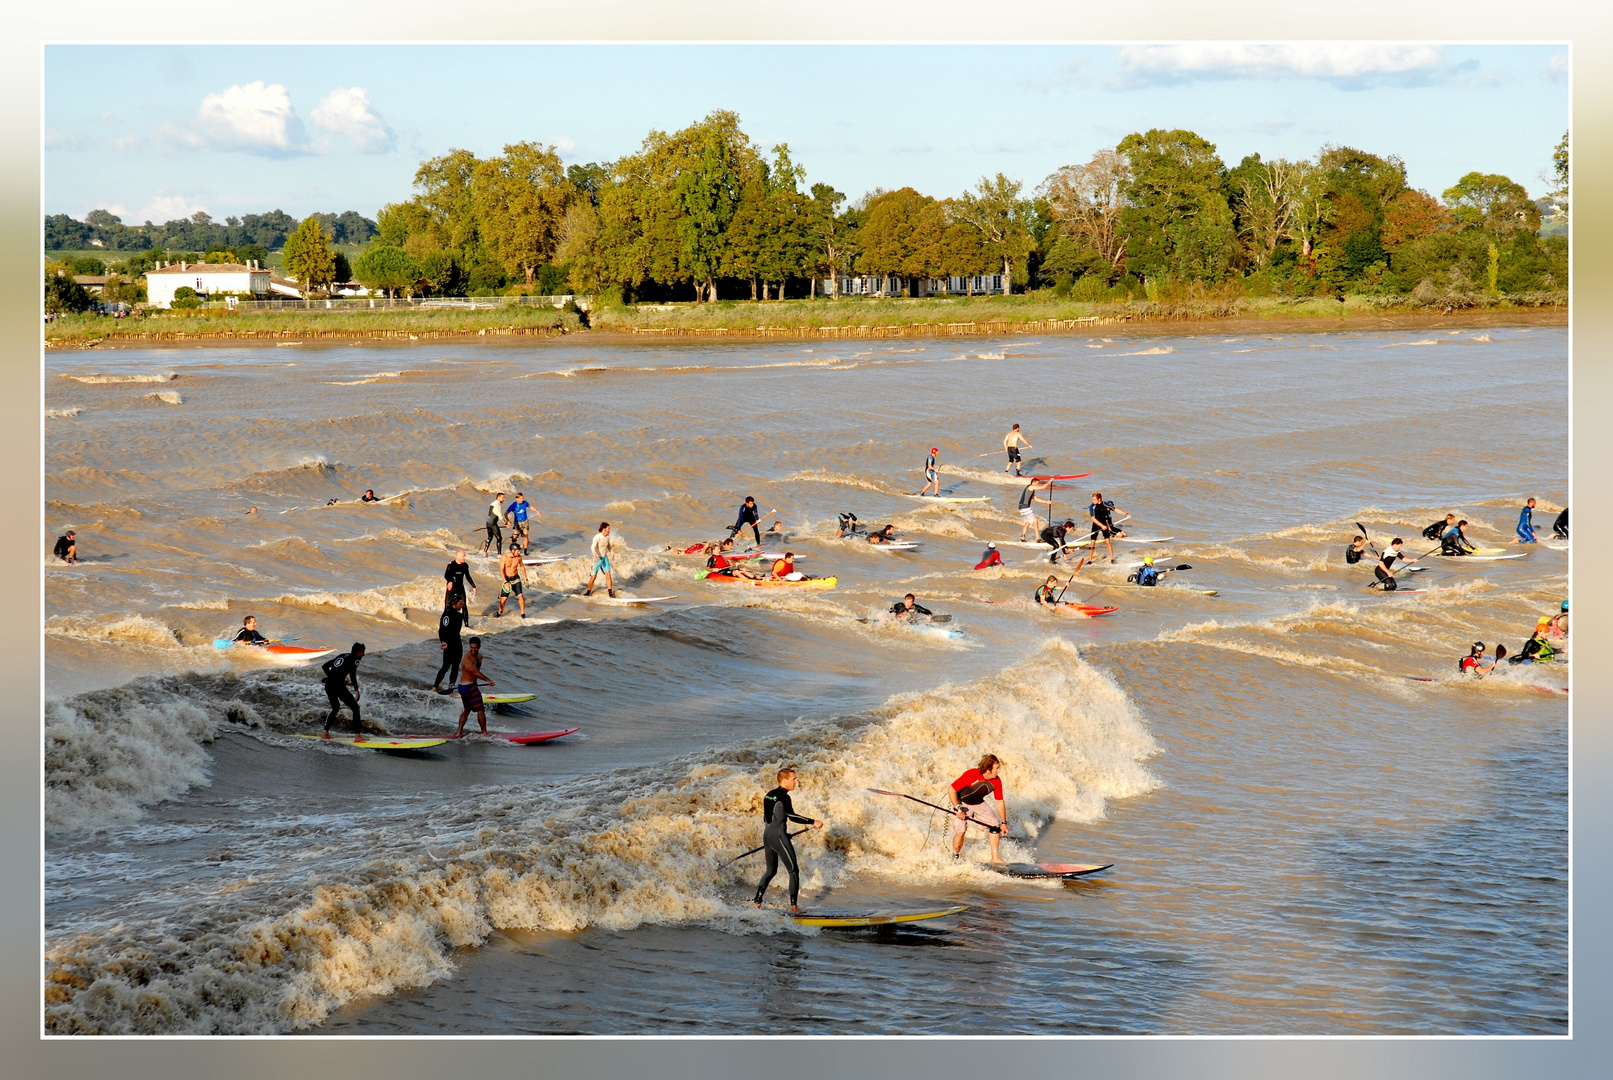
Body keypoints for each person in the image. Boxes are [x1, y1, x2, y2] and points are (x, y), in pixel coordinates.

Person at [752, 767, 824, 914]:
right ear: (784, 781)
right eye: (794, 779)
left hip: (767, 836)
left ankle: (757, 902)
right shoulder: (784, 797)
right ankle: (794, 907)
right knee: (793, 870)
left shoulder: (769, 795)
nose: (796, 782)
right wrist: (813, 821)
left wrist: (782, 832)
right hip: (779, 837)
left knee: (770, 871)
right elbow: (792, 816)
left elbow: (768, 818)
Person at [948, 754, 1009, 865]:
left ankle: (995, 858)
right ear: (988, 769)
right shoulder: (971, 774)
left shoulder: (996, 780)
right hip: (962, 803)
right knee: (961, 832)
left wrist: (1004, 822)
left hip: (978, 803)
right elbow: (951, 790)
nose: (998, 771)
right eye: (997, 768)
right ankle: (955, 856)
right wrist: (958, 809)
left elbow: (999, 801)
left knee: (995, 825)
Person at [320, 644, 366, 738]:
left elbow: (324, 666)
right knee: (355, 708)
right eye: (362, 652)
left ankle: (325, 732)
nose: (363, 655)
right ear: (357, 652)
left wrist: (331, 677)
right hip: (338, 687)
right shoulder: (354, 660)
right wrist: (356, 690)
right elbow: (352, 675)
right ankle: (357, 735)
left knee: (335, 708)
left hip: (328, 685)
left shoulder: (342, 655)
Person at [455, 637, 493, 736]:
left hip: (465, 686)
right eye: (471, 647)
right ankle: (484, 733)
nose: (473, 650)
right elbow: (475, 672)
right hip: (467, 687)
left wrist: (475, 681)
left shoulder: (479, 656)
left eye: (475, 648)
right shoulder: (467, 660)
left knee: (467, 709)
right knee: (480, 710)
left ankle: (459, 732)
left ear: (479, 647)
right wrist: (488, 680)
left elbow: (476, 671)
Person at [432, 594, 467, 693]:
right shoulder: (451, 615)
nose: (462, 605)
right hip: (453, 644)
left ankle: (440, 688)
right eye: (460, 603)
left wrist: (444, 641)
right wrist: (444, 642)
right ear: (455, 603)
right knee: (448, 667)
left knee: (453, 667)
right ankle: (437, 687)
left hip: (454, 644)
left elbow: (442, 631)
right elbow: (444, 630)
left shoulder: (450, 614)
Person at [1088, 492, 1126, 562]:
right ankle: (1090, 560)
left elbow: (1115, 509)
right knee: (1092, 542)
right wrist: (1101, 526)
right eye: (1092, 499)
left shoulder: (1105, 504)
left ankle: (1112, 559)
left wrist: (1125, 514)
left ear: (1099, 499)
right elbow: (1093, 518)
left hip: (1104, 524)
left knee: (1108, 541)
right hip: (1096, 525)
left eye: (1094, 499)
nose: (1093, 501)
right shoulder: (1092, 506)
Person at [584, 521, 615, 597]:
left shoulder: (607, 537)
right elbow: (593, 547)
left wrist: (612, 553)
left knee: (608, 575)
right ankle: (588, 592)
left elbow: (609, 546)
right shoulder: (597, 537)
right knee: (594, 576)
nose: (609, 530)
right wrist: (594, 555)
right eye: (608, 528)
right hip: (597, 559)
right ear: (604, 529)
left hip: (604, 558)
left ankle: (610, 593)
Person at [495, 545, 527, 618]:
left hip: (516, 578)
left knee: (521, 596)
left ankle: (523, 613)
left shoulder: (519, 557)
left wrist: (526, 579)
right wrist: (505, 582)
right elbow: (501, 570)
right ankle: (500, 611)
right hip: (507, 579)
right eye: (518, 550)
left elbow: (522, 566)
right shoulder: (505, 557)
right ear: (513, 550)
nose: (519, 552)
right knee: (504, 599)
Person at [444, 551, 477, 620]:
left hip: (460, 588)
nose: (465, 558)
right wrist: (450, 581)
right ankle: (446, 622)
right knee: (447, 606)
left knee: (464, 605)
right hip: (451, 588)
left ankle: (466, 625)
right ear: (458, 556)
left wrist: (474, 586)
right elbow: (446, 575)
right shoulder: (451, 565)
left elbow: (468, 576)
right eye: (463, 556)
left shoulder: (465, 565)